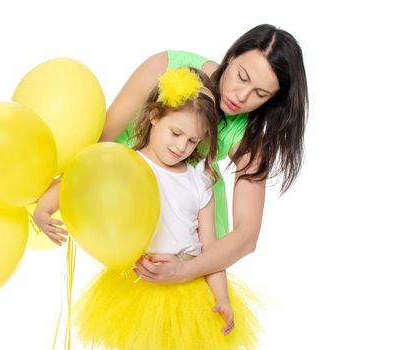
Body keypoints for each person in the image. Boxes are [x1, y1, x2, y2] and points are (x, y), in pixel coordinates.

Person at [35, 24, 308, 285]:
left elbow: (247, 235)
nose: (242, 96)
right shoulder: (166, 68)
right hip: (121, 194)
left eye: (260, 93)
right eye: (242, 77)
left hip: (179, 214)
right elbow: (97, 145)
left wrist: (185, 270)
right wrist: (51, 199)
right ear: (232, 56)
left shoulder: (248, 137)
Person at [72, 67, 260, 349]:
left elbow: (211, 249)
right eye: (176, 133)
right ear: (154, 115)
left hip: (190, 291)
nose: (182, 146)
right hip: (139, 287)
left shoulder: (199, 180)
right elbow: (81, 182)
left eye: (193, 141)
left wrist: (221, 298)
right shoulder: (127, 164)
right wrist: (46, 208)